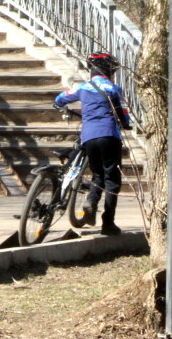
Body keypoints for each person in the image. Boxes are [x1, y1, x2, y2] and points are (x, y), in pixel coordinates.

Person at [52, 52, 132, 236]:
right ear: (109, 71)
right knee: (112, 180)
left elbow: (60, 98)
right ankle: (108, 223)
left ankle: (91, 202)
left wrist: (59, 104)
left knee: (98, 175)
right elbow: (124, 114)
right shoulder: (114, 89)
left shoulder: (82, 88)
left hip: (88, 136)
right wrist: (126, 124)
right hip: (109, 135)